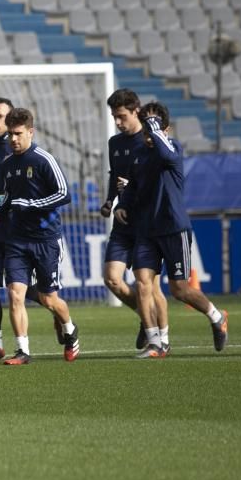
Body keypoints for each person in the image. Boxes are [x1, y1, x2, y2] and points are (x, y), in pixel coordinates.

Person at [114, 102, 228, 359]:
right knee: (143, 284)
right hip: (146, 231)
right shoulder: (140, 155)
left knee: (179, 290)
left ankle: (217, 316)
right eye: (145, 130)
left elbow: (167, 156)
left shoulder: (173, 148)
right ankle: (157, 343)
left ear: (166, 129)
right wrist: (122, 205)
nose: (148, 136)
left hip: (174, 228)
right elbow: (132, 188)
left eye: (153, 129)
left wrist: (156, 130)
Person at [0, 98, 66, 361]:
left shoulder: (21, 154)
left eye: (0, 116)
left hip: (14, 231)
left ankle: (58, 312)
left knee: (27, 291)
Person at [0, 108, 80, 364]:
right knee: (15, 294)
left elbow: (64, 194)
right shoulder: (7, 164)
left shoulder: (43, 160)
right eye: (10, 135)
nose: (13, 139)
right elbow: (8, 197)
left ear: (30, 132)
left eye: (18, 134)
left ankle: (70, 330)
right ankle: (22, 350)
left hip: (46, 239)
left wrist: (31, 204)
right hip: (17, 240)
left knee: (50, 299)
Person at [101, 89, 169, 352]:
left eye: (122, 116)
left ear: (136, 111)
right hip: (122, 220)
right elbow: (114, 175)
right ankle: (145, 317)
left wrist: (133, 188)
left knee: (151, 286)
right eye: (114, 117)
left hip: (147, 222)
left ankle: (163, 339)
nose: (118, 122)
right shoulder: (114, 144)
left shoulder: (151, 140)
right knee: (112, 279)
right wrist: (110, 201)